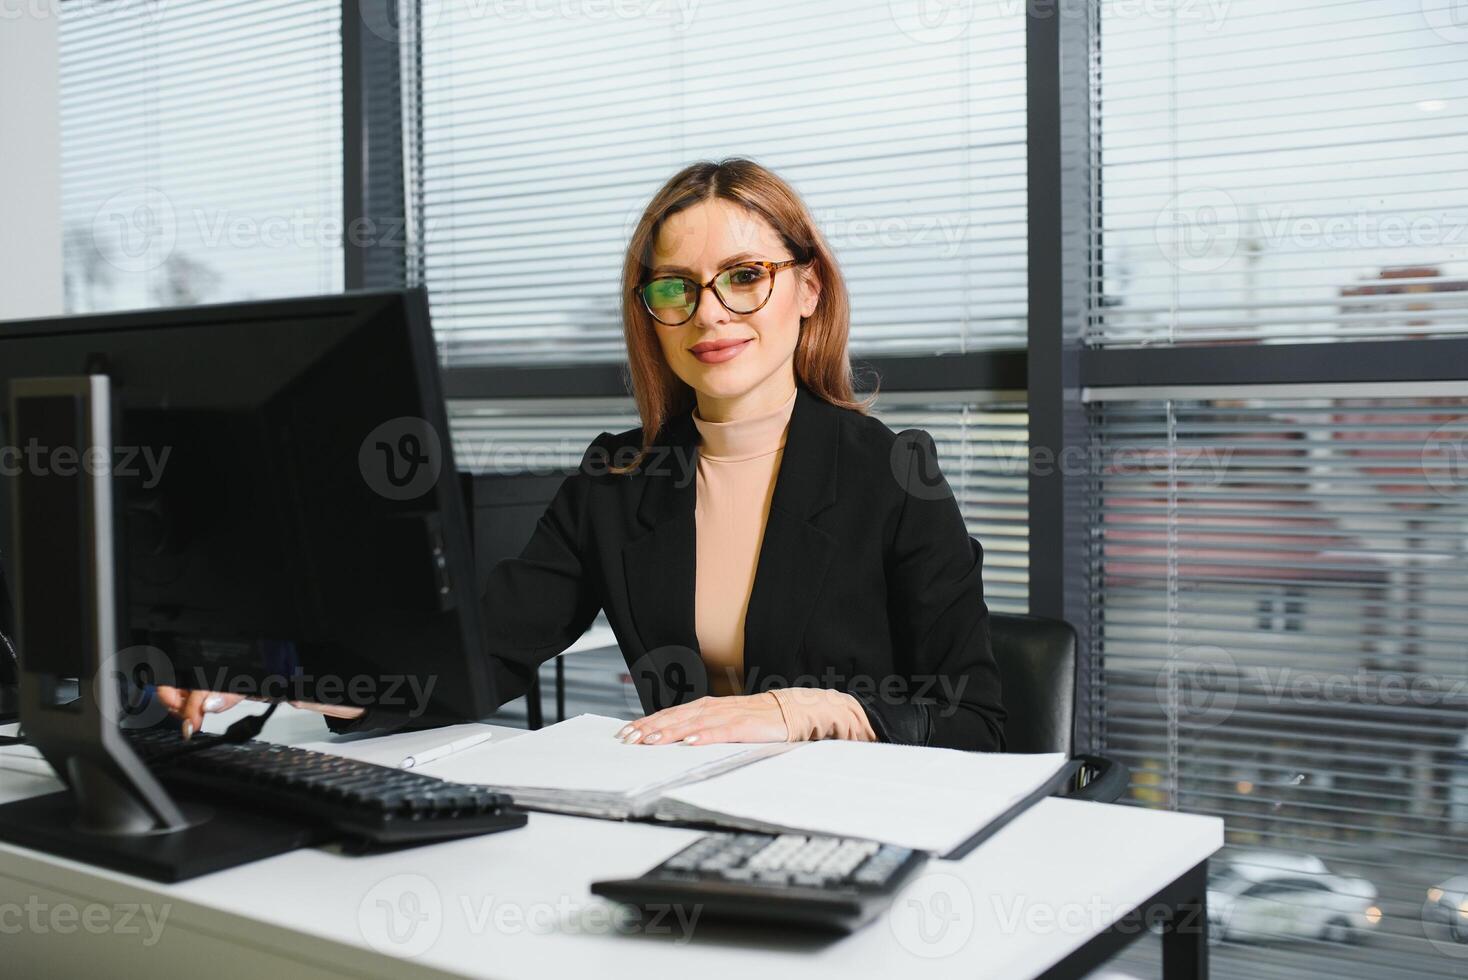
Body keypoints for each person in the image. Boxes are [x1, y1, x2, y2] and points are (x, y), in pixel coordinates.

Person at [159, 158, 1005, 751]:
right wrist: (294, 677)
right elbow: (481, 655)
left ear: (807, 289)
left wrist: (808, 711)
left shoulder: (893, 475)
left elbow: (980, 727)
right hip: (672, 825)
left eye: (744, 276)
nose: (709, 313)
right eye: (675, 287)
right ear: (651, 313)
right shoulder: (620, 477)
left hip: (857, 837)